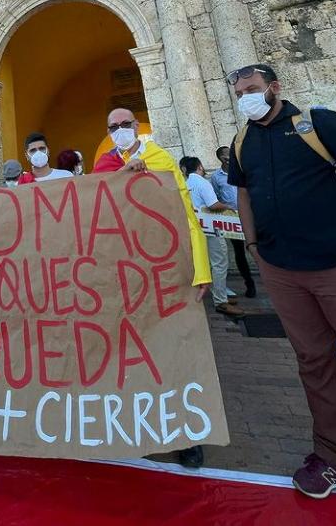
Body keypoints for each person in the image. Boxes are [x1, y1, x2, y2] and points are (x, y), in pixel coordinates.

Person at [227, 63, 336, 499]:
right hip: (283, 270)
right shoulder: (242, 143)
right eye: (239, 92)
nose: (246, 98)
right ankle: (335, 458)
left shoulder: (320, 124)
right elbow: (243, 191)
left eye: (253, 89)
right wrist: (255, 245)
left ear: (275, 87)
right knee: (314, 363)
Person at [93, 108, 212, 470]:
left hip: (165, 269)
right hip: (124, 273)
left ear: (136, 127)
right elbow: (91, 206)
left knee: (175, 350)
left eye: (125, 125)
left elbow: (185, 213)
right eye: (112, 127)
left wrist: (200, 269)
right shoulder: (104, 164)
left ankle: (187, 434)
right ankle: (137, 425)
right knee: (133, 354)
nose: (119, 131)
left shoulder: (160, 158)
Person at [180, 156, 244, 318]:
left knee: (203, 263)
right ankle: (221, 300)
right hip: (210, 229)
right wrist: (229, 207)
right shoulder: (202, 183)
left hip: (194, 230)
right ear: (200, 167)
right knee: (219, 262)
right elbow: (213, 205)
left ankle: (217, 293)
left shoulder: (184, 185)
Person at [211, 147, 256, 298]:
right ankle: (249, 283)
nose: (228, 158)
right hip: (232, 217)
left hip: (251, 213)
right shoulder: (216, 177)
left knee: (257, 246)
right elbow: (217, 196)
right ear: (220, 159)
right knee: (239, 252)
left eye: (229, 155)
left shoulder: (242, 169)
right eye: (225, 156)